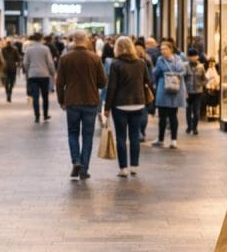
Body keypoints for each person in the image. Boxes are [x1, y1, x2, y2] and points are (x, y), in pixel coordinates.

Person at [56, 30, 107, 180]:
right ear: (85, 40)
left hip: (72, 101)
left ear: (73, 40)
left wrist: (61, 100)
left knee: (72, 133)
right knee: (87, 135)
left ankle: (76, 160)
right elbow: (103, 82)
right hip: (90, 101)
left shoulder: (65, 58)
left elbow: (60, 83)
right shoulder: (95, 58)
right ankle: (84, 168)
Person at [105, 38, 153, 178]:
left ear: (118, 48)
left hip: (120, 105)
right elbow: (147, 82)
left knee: (121, 137)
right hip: (138, 103)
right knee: (134, 136)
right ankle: (134, 166)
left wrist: (107, 107)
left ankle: (123, 168)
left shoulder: (116, 64)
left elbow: (112, 87)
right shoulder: (141, 62)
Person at [150, 42, 186, 148]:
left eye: (165, 49)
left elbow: (182, 71)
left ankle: (173, 140)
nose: (163, 51)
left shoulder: (177, 59)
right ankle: (161, 139)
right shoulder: (161, 59)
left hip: (173, 89)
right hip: (164, 90)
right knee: (162, 116)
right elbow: (156, 73)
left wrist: (169, 73)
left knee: (173, 115)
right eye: (161, 49)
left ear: (171, 49)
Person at [24, 32, 56, 123]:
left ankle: (37, 116)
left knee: (35, 96)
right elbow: (50, 63)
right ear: (41, 38)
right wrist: (53, 73)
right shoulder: (45, 49)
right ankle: (45, 115)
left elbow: (25, 63)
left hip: (33, 75)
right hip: (44, 74)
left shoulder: (29, 49)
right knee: (45, 96)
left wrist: (28, 71)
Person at [183, 48, 207, 135]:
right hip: (188, 92)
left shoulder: (201, 67)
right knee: (188, 110)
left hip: (198, 92)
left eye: (194, 56)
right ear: (188, 57)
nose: (193, 58)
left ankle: (195, 127)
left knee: (196, 111)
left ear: (197, 57)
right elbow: (182, 79)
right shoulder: (185, 66)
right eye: (191, 56)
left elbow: (204, 79)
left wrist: (202, 83)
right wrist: (184, 91)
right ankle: (189, 126)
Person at [1, 38, 22, 102]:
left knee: (6, 81)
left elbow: (1, 58)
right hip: (13, 67)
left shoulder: (3, 49)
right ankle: (10, 92)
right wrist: (18, 64)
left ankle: (7, 92)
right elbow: (18, 58)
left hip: (5, 67)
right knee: (12, 81)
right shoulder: (14, 49)